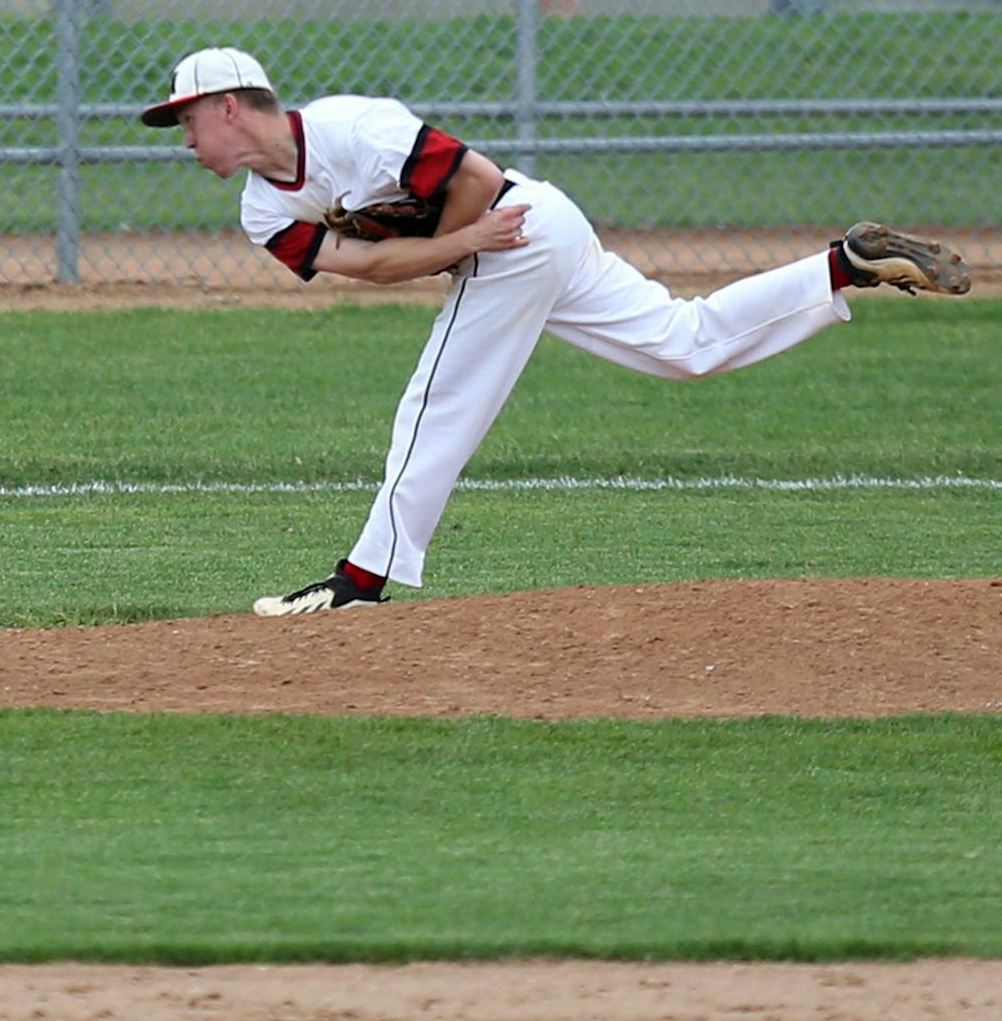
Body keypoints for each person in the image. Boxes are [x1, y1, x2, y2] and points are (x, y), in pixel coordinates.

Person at [140, 47, 971, 615]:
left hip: (520, 225)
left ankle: (362, 579)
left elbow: (471, 178)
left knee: (436, 404)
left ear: (226, 106)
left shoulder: (352, 128)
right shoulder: (262, 204)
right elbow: (361, 268)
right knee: (685, 344)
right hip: (505, 240)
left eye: (186, 120)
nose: (184, 141)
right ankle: (842, 268)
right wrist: (456, 249)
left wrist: (463, 245)